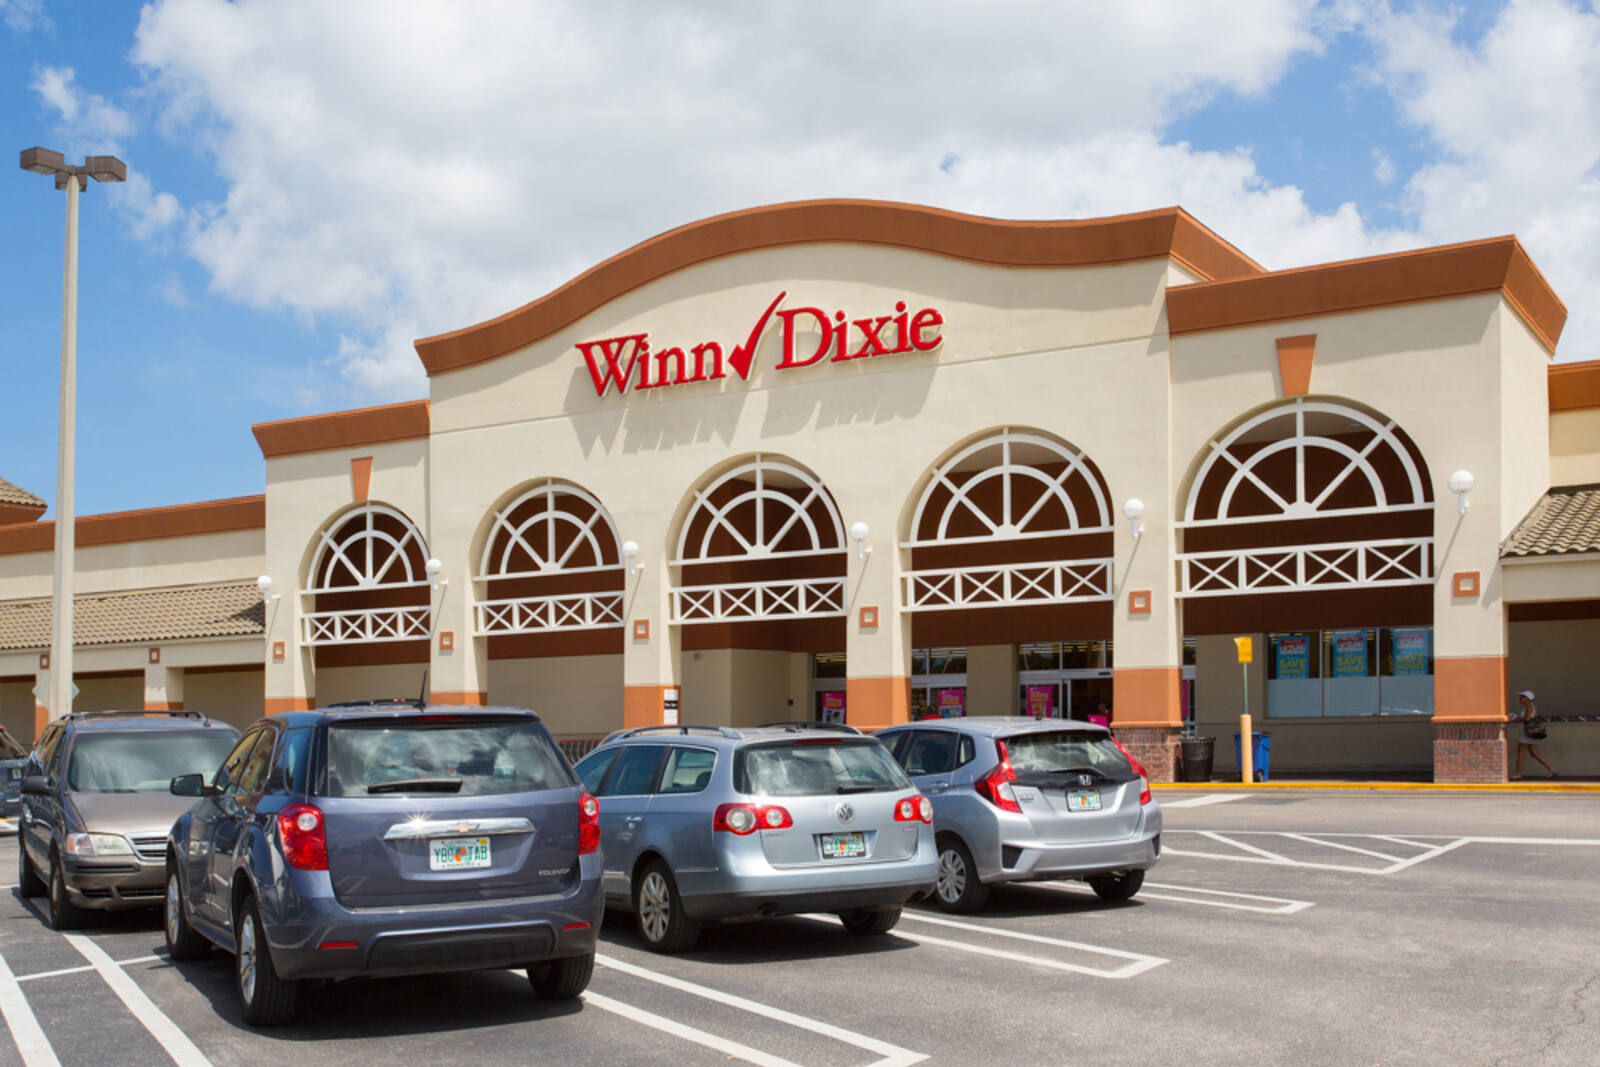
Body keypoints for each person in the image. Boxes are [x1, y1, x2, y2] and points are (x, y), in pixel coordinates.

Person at [1511, 690, 1556, 779]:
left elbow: (1527, 719)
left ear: (1528, 699)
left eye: (1522, 697)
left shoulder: (1529, 706)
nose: (1520, 699)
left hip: (1526, 733)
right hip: (1529, 733)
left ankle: (1518, 773)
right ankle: (1551, 769)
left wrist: (1516, 719)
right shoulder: (1528, 706)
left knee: (1521, 752)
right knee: (1534, 753)